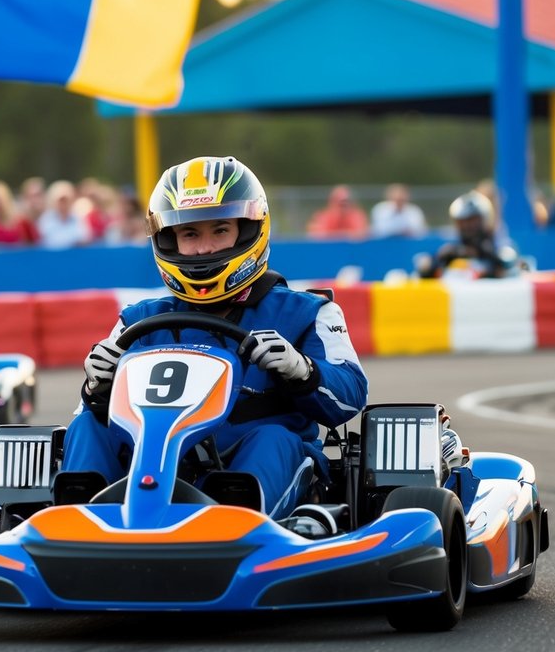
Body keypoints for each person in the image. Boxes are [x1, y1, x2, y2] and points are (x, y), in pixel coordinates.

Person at [61, 156, 368, 535]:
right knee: (88, 425)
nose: (204, 249)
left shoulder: (307, 312)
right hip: (151, 472)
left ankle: (238, 532)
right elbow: (94, 413)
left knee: (273, 438)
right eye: (190, 234)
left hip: (250, 468)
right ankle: (75, 530)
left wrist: (302, 370)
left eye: (219, 230)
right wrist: (97, 386)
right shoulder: (137, 321)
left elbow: (350, 397)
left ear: (248, 231)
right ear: (168, 240)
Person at [416, 189, 519, 279]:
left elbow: (509, 262)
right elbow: (424, 269)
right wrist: (441, 258)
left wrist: (485, 253)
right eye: (462, 222)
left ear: (483, 219)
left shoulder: (497, 243)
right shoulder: (452, 248)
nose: (467, 226)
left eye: (472, 220)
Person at [36, 180, 91, 249]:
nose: (63, 204)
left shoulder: (78, 218)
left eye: (66, 200)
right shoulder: (45, 220)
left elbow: (85, 238)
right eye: (61, 200)